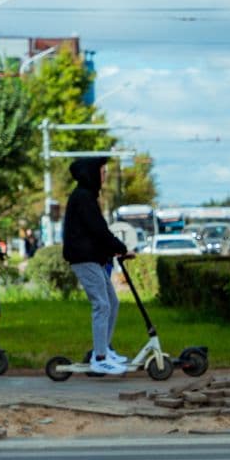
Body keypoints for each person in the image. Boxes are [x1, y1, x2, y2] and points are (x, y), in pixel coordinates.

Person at [60, 156, 132, 376]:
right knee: (101, 305)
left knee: (112, 302)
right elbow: (98, 230)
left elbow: (96, 232)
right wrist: (120, 247)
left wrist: (115, 249)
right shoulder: (83, 198)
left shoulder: (87, 196)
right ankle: (100, 359)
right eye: (102, 172)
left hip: (93, 258)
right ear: (91, 174)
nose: (105, 176)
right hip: (84, 259)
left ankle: (105, 351)